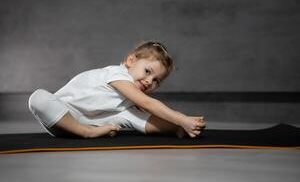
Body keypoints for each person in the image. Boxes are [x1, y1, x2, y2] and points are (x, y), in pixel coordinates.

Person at [28, 41, 206, 138]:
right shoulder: (117, 74)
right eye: (147, 71)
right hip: (63, 117)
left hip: (95, 119)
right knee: (38, 97)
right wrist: (181, 117)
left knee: (135, 115)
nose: (149, 81)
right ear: (131, 61)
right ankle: (87, 133)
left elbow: (147, 112)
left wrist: (182, 124)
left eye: (156, 81)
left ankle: (177, 129)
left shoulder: (131, 94)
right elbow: (147, 102)